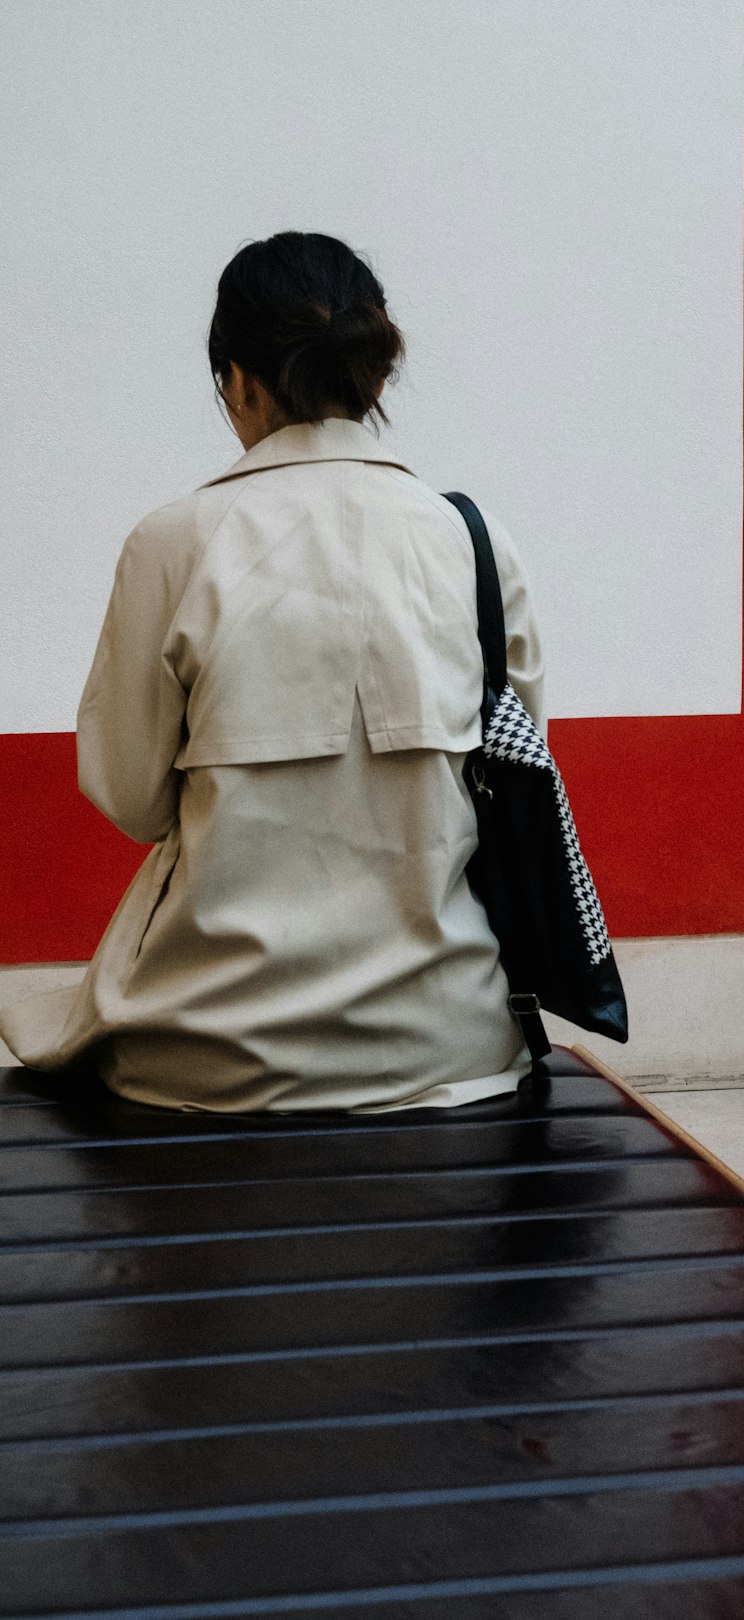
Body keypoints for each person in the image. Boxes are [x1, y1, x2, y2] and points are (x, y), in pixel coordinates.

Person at [0, 230, 544, 1113]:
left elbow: (131, 797)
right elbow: (517, 773)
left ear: (239, 383)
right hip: (451, 1045)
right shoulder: (474, 543)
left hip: (208, 1054)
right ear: (372, 378)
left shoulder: (174, 542)